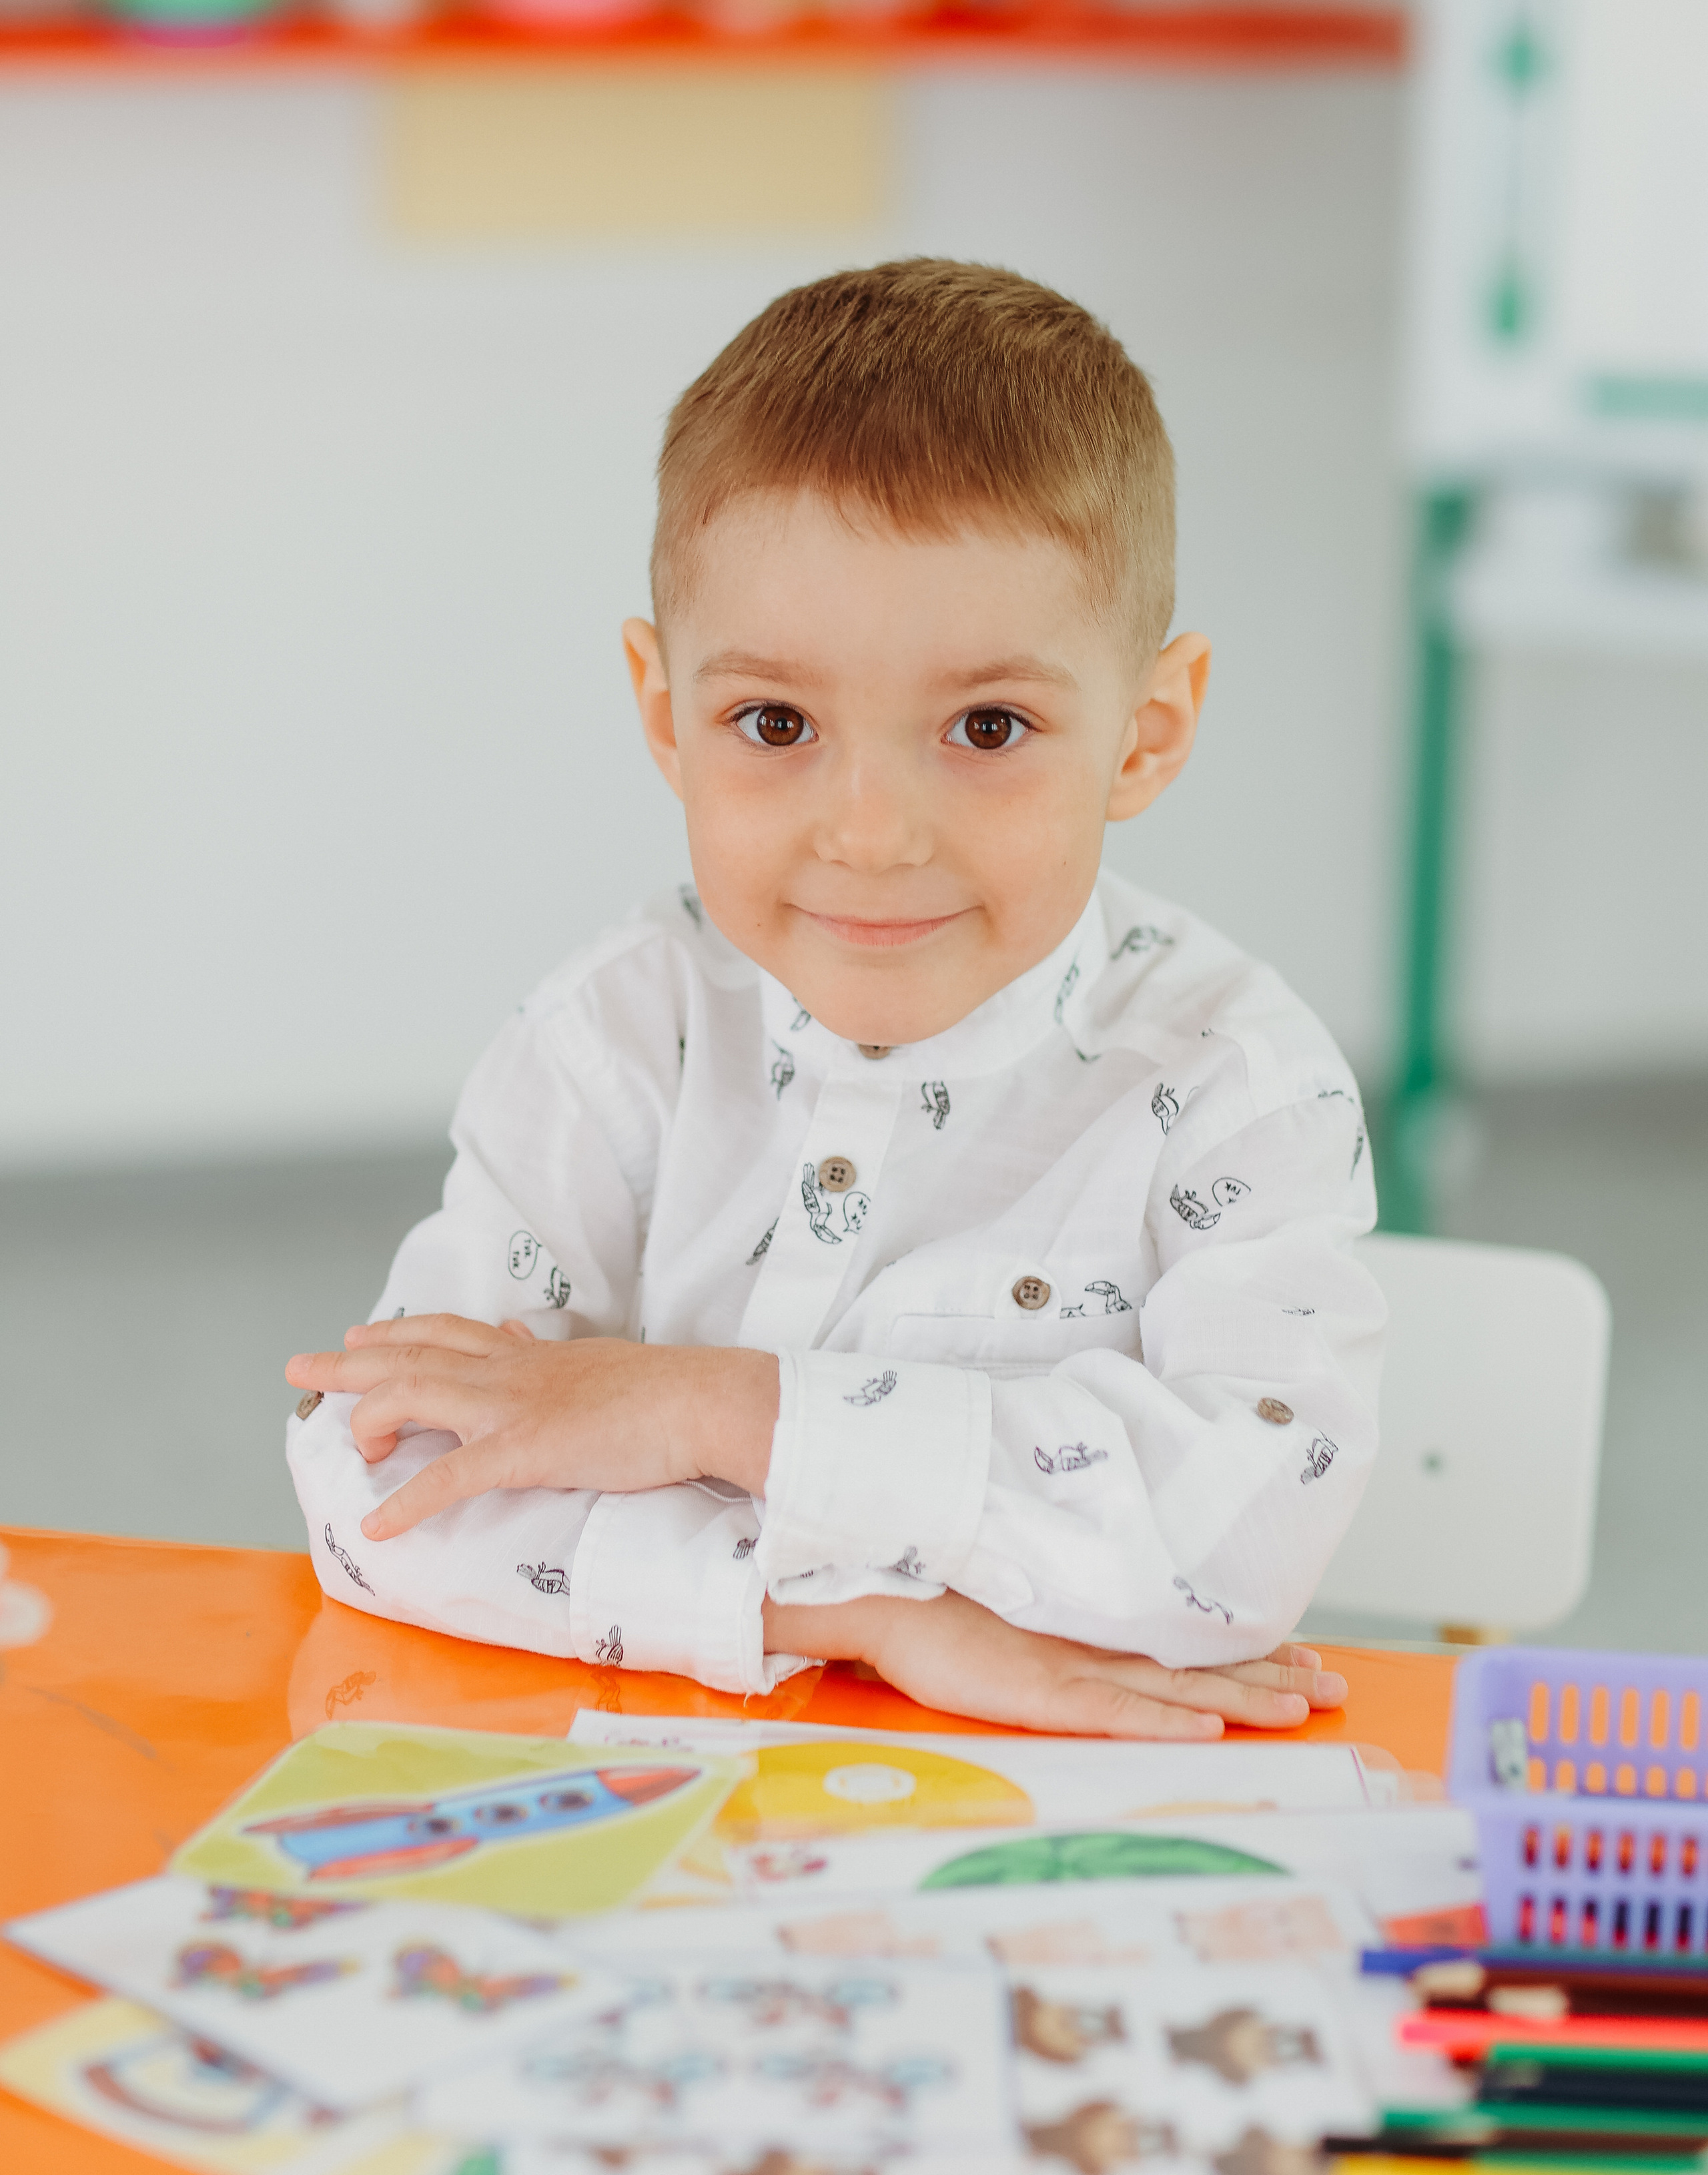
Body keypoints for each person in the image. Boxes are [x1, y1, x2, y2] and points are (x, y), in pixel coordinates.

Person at [284, 260, 1382, 1739]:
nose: (869, 833)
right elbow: (376, 1487)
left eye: (986, 726)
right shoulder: (615, 1037)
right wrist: (861, 1620)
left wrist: (696, 1408)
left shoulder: (1235, 1083)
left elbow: (1228, 1548)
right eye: (775, 723)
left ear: (1145, 735)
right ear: (667, 713)